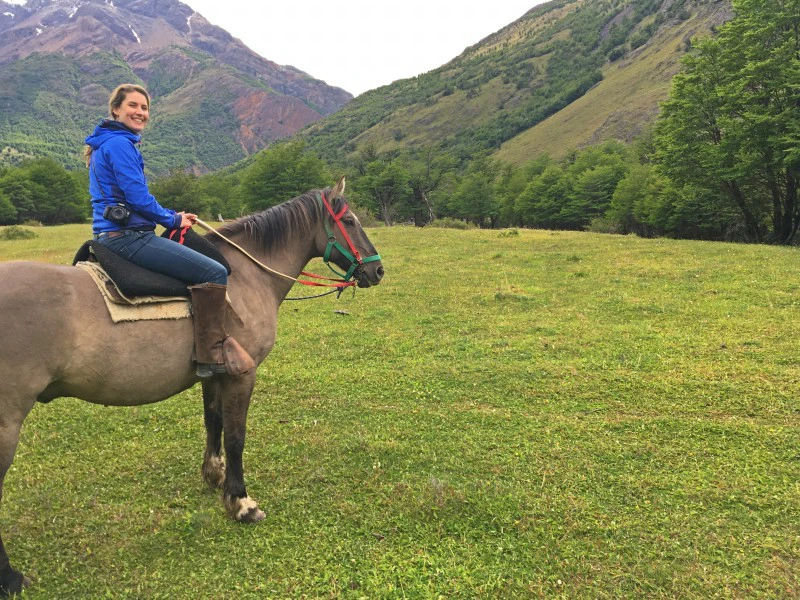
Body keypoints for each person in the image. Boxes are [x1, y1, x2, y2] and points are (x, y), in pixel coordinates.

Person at [84, 83, 253, 378]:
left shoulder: (108, 143)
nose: (140, 112)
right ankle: (210, 355)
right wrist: (172, 221)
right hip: (129, 238)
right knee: (215, 272)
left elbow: (130, 199)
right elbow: (137, 197)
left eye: (145, 107)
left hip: (113, 234)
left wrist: (172, 215)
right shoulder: (120, 144)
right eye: (133, 106)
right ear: (115, 109)